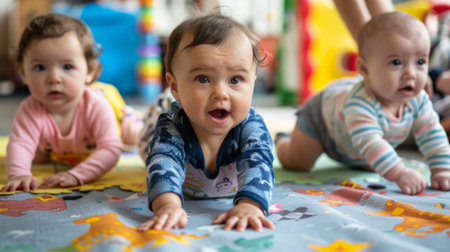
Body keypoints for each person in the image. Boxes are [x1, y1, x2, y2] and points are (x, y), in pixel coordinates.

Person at [276, 11, 450, 195]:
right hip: (321, 123)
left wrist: (442, 169)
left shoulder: (418, 99)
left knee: (375, 161)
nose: (411, 74)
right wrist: (400, 173)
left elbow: (432, 133)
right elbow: (371, 142)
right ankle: (283, 139)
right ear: (364, 69)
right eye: (396, 62)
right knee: (297, 163)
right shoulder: (359, 104)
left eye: (420, 62)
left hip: (356, 145)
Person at [137, 14, 275, 232]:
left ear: (253, 82)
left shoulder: (251, 127)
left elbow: (258, 162)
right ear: (175, 86)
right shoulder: (173, 124)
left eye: (235, 80)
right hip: (166, 118)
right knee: (152, 130)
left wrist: (251, 205)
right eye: (203, 79)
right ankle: (158, 104)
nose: (221, 93)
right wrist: (167, 205)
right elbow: (163, 161)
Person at [0, 13, 134, 192]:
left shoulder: (97, 105)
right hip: (61, 149)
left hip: (117, 118)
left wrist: (77, 174)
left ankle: (135, 127)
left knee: (133, 135)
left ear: (89, 71)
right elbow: (20, 144)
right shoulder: (29, 109)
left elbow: (111, 149)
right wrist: (19, 174)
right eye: (40, 67)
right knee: (36, 156)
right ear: (22, 72)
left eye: (67, 67)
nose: (54, 78)